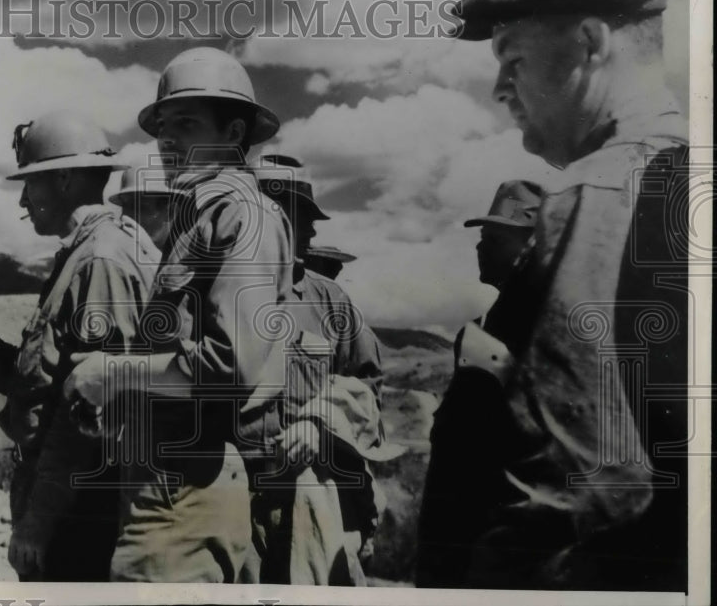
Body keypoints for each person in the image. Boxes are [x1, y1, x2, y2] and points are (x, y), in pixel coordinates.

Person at [451, 0, 689, 590]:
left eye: (513, 58)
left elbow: (586, 486)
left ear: (591, 43)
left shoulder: (596, 191)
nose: (500, 88)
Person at [61, 46, 294, 583]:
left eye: (185, 123)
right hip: (165, 481)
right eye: (162, 125)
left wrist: (109, 373)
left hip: (187, 487)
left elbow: (228, 369)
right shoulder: (202, 216)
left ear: (235, 133)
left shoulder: (244, 214)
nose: (166, 139)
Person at [0, 112, 158, 582]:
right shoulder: (91, 252)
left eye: (32, 184)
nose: (23, 199)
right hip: (75, 500)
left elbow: (83, 416)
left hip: (80, 510)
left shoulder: (100, 259)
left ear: (65, 179)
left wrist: (39, 523)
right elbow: (38, 376)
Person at [249, 154, 396, 585]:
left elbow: (367, 388)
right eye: (302, 215)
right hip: (225, 501)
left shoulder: (330, 301)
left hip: (305, 504)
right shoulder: (209, 294)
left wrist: (319, 421)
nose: (313, 230)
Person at [415, 179, 543, 587]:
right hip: (459, 527)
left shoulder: (540, 320)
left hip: (494, 534)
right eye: (483, 237)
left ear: (532, 245)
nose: (480, 246)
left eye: (495, 238)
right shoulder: (488, 323)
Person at [107, 161, 175, 250]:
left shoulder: (191, 252)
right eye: (125, 208)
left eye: (140, 208)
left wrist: (152, 253)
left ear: (169, 213)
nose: (125, 218)